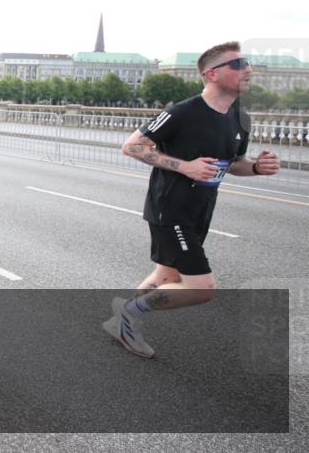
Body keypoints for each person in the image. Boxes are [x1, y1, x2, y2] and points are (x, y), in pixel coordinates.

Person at [106, 41, 280, 358]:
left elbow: (234, 163)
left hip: (202, 207)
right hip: (170, 207)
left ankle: (124, 321)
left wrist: (255, 167)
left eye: (249, 63)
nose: (249, 69)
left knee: (166, 275)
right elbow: (132, 146)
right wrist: (185, 166)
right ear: (212, 74)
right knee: (202, 288)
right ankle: (129, 316)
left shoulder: (241, 118)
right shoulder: (182, 112)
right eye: (239, 64)